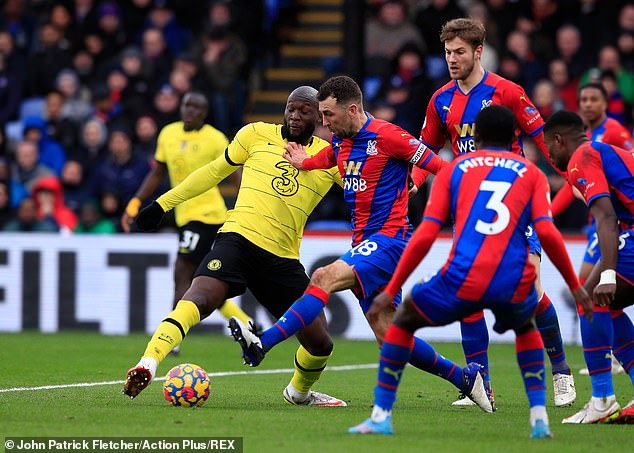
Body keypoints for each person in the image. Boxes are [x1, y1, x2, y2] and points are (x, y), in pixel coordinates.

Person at [229, 75, 494, 413]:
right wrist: (302, 162)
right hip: (365, 241)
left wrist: (463, 197)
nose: (323, 123)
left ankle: (261, 343)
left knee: (323, 277)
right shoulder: (340, 142)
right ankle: (465, 379)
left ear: (352, 109)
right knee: (390, 335)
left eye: (328, 115)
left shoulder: (389, 136)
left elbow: (442, 167)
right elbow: (324, 160)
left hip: (391, 239)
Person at [348, 105, 592, 438]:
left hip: (463, 277)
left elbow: (425, 234)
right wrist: (575, 284)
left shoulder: (455, 170)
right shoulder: (531, 173)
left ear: (474, 138)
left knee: (401, 323)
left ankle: (381, 415)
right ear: (514, 138)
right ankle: (538, 417)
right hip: (512, 278)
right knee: (526, 326)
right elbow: (548, 233)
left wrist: (393, 287)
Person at [123, 86, 346, 407]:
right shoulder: (255, 134)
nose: (295, 116)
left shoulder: (330, 157)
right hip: (238, 239)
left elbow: (362, 192)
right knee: (197, 297)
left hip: (282, 259)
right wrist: (161, 204)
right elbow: (213, 172)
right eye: (290, 109)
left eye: (304, 111)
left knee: (320, 342)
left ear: (320, 117)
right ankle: (148, 362)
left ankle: (299, 393)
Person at [416, 17, 574, 408]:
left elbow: (547, 141)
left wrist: (578, 174)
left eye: (460, 52)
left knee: (531, 293)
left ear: (478, 51)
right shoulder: (440, 100)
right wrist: (412, 184)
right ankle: (479, 384)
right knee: (466, 295)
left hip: (514, 206)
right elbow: (425, 151)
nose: (452, 60)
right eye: (448, 52)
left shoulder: (508, 92)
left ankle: (562, 373)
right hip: (466, 210)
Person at [121, 92, 252, 355]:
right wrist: (136, 202)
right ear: (181, 108)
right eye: (187, 106)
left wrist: (246, 206)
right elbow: (158, 172)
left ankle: (173, 337)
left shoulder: (215, 138)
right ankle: (246, 324)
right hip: (184, 215)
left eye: (197, 108)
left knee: (182, 272)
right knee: (204, 277)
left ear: (204, 113)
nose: (191, 111)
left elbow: (234, 174)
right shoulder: (168, 133)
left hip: (206, 216)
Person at [544, 110, 634, 424]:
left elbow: (606, 217)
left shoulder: (582, 156)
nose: (550, 157)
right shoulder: (598, 152)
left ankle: (602, 399)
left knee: (592, 300)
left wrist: (608, 273)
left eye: (549, 148)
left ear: (558, 140)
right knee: (603, 304)